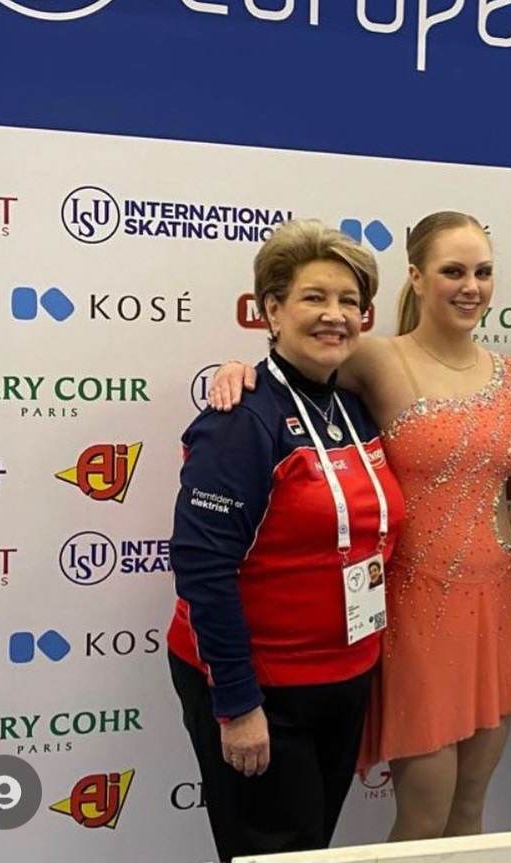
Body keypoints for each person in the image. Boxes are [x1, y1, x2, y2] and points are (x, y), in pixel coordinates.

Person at [210, 211, 511, 841]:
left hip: (499, 602)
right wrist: (235, 370)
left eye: (483, 272)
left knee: (471, 809)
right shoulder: (375, 357)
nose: (471, 286)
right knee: (424, 816)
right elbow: (294, 365)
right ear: (417, 276)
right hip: (418, 608)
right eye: (453, 271)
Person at [167, 220, 406, 863]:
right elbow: (203, 569)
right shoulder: (243, 419)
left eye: (350, 301)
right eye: (314, 297)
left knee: (312, 848)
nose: (335, 315)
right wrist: (237, 703)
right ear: (272, 309)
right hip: (264, 688)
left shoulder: (351, 405)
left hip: (343, 676)